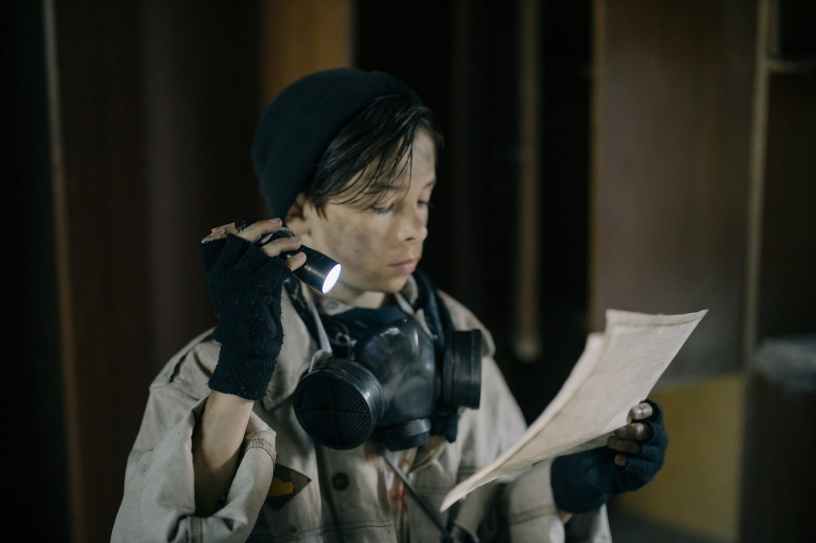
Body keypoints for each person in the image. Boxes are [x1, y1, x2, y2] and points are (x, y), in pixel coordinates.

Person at [111, 68, 668, 543]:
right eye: (382, 205)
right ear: (299, 212)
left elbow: (496, 499)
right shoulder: (213, 368)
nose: (414, 228)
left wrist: (568, 485)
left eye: (422, 199)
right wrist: (242, 372)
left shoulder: (457, 337)